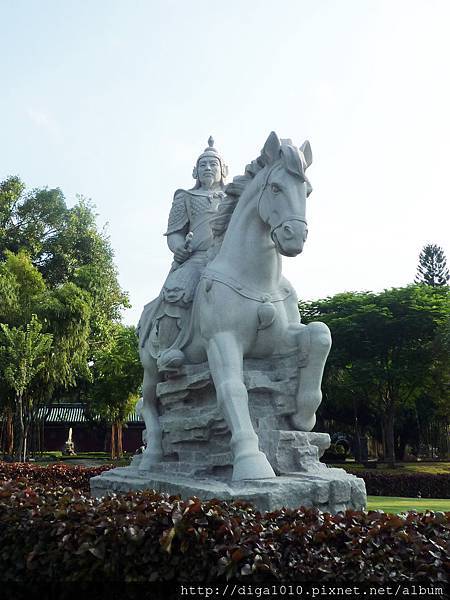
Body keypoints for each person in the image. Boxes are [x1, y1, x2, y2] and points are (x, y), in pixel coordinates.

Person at [139, 137, 228, 372]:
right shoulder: (185, 197)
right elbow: (175, 234)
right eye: (203, 165)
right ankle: (168, 350)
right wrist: (179, 247)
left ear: (223, 169)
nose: (208, 168)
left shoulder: (235, 196)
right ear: (195, 171)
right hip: (197, 259)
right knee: (176, 291)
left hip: (228, 258)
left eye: (213, 164)